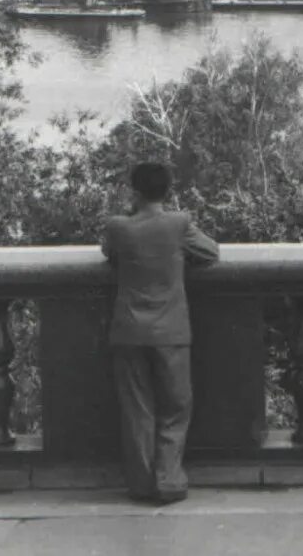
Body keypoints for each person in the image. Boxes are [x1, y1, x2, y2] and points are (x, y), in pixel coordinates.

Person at [101, 162, 220, 505]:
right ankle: (168, 480)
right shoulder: (178, 224)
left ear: (133, 191)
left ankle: (140, 483)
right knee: (176, 407)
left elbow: (109, 254)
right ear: (168, 190)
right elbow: (210, 252)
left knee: (137, 409)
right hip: (171, 330)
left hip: (128, 331)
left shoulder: (118, 227)